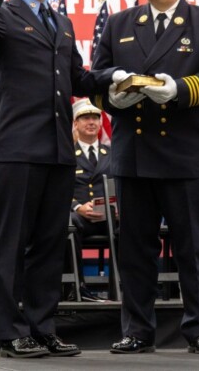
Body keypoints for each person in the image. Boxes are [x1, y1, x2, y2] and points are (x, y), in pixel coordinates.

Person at [0, 0, 119, 359]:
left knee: (50, 242)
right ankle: (10, 332)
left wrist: (115, 80)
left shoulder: (61, 21)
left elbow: (78, 79)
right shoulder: (3, 15)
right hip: (17, 149)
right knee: (11, 242)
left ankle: (43, 327)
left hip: (58, 151)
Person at [92, 0, 199, 354]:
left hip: (185, 153)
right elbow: (97, 75)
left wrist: (178, 89)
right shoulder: (120, 23)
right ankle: (137, 330)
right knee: (136, 249)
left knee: (192, 249)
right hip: (134, 154)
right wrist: (112, 97)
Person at [67, 98, 111, 302]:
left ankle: (130, 287)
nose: (91, 122)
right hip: (80, 217)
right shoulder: (67, 155)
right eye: (85, 118)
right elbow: (58, 190)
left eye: (95, 117)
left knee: (134, 225)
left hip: (110, 217)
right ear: (75, 123)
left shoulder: (112, 153)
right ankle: (78, 286)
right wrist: (77, 207)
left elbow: (120, 186)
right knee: (69, 224)